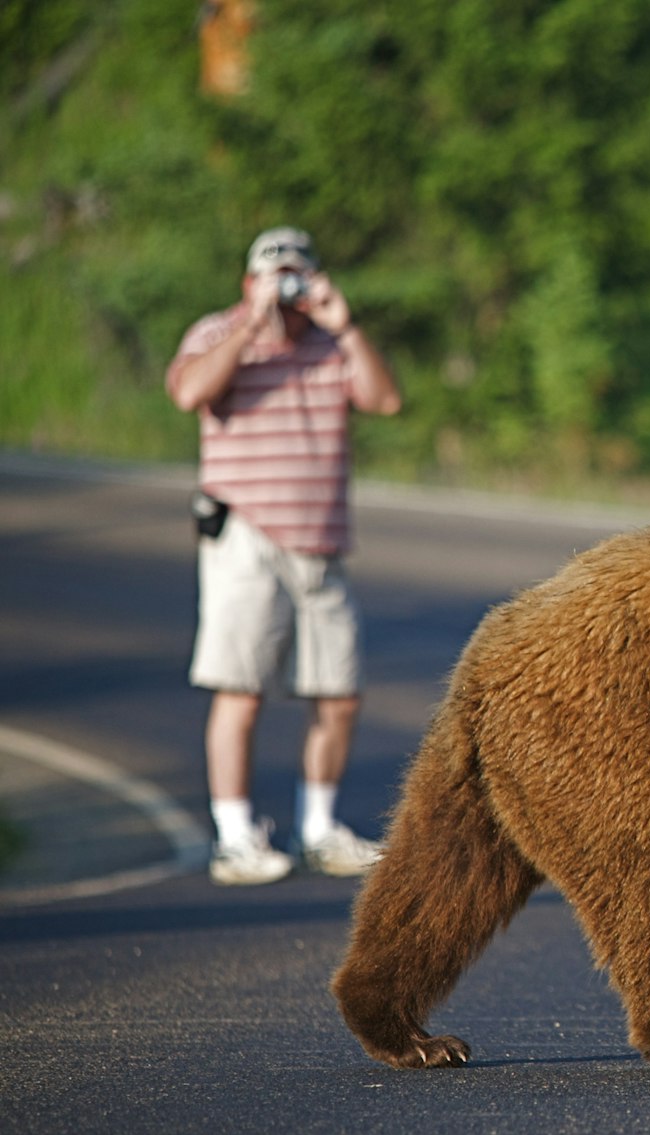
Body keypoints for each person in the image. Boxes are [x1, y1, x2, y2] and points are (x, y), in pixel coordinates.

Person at [166, 226, 403, 885]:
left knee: (340, 693)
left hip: (321, 542)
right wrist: (250, 325)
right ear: (249, 282)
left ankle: (319, 827)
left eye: (298, 275)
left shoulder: (331, 343)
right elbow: (189, 394)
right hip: (246, 537)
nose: (288, 288)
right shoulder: (216, 333)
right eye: (276, 275)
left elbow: (385, 400)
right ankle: (235, 837)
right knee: (240, 691)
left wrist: (347, 326)